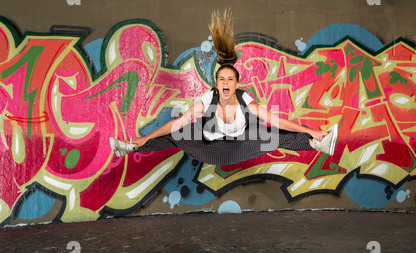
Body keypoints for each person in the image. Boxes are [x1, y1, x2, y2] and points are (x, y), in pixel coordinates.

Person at [110, 9, 338, 165]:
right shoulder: (208, 99)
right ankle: (130, 146)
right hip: (209, 147)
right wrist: (144, 139)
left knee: (275, 133)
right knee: (177, 133)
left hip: (240, 146)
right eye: (222, 80)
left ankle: (318, 143)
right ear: (216, 85)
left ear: (237, 84)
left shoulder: (245, 100)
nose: (226, 83)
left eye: (230, 79)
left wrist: (312, 130)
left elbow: (277, 120)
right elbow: (176, 122)